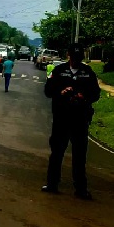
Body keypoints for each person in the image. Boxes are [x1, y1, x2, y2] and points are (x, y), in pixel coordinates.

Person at [42, 43, 100, 200]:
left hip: (80, 119)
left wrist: (83, 96)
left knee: (80, 155)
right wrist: (61, 92)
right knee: (57, 152)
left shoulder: (87, 72)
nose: (75, 60)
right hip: (61, 118)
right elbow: (48, 91)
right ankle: (52, 183)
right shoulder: (59, 71)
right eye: (73, 57)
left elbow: (96, 94)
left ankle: (81, 188)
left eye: (78, 58)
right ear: (68, 55)